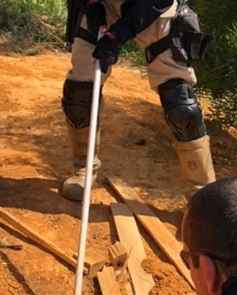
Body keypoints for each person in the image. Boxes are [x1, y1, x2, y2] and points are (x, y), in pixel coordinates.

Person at [60, 0, 215, 201]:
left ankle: (202, 192)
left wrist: (117, 35)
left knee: (180, 105)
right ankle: (84, 170)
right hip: (106, 6)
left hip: (152, 8)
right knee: (79, 93)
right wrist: (90, 6)